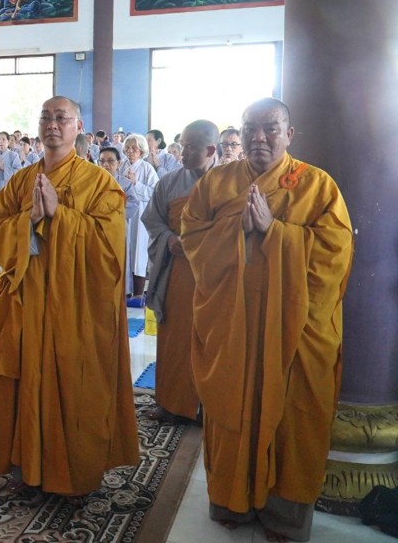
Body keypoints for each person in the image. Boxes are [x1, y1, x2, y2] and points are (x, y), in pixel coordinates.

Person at [181, 99, 353, 542]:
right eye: (250, 128)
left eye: (270, 128)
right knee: (230, 406)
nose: (258, 137)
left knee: (294, 417)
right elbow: (192, 235)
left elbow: (335, 254)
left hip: (293, 330)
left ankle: (285, 515)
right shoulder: (217, 182)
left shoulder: (318, 185)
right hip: (231, 325)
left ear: (289, 134)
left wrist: (274, 231)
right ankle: (230, 500)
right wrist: (235, 228)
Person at [0, 96, 138, 496]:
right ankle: (25, 467)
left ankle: (75, 473)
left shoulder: (99, 183)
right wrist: (29, 219)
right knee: (25, 378)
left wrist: (60, 214)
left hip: (76, 306)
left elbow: (110, 250)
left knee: (76, 382)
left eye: (61, 118)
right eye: (46, 118)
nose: (52, 124)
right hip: (28, 300)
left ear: (78, 127)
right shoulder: (22, 180)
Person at [141, 120, 218, 423]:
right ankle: (171, 404)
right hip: (179, 274)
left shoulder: (231, 183)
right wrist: (169, 239)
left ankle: (210, 408)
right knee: (174, 339)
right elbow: (153, 220)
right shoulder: (169, 182)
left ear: (210, 150)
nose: (182, 153)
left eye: (190, 148)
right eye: (182, 146)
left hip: (216, 275)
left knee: (213, 340)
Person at [119, 134, 159, 299]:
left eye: (134, 148)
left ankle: (137, 294)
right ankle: (123, 292)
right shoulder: (121, 165)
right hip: (122, 214)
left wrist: (136, 183)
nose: (130, 151)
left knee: (138, 254)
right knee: (123, 252)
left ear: (141, 150)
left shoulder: (147, 169)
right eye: (127, 148)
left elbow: (154, 192)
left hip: (140, 217)